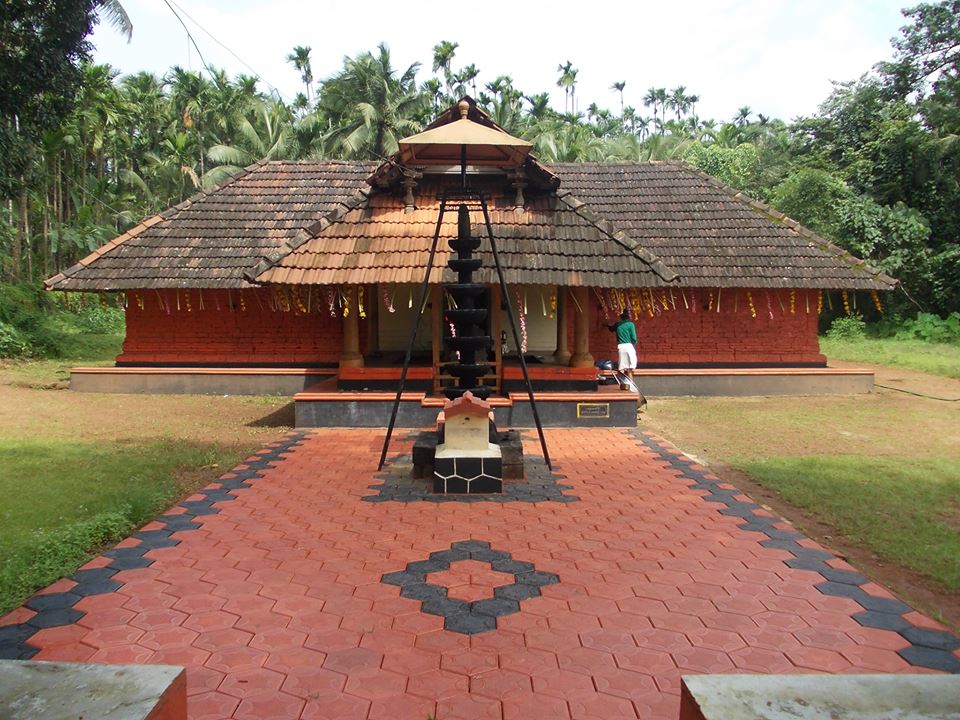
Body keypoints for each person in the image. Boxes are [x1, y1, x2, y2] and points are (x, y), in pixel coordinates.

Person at [607, 310, 638, 386]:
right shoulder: (630, 324)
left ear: (620, 317)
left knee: (621, 368)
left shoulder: (618, 324)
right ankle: (631, 385)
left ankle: (619, 384)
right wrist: (633, 343)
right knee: (630, 369)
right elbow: (634, 338)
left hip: (621, 347)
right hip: (629, 346)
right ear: (628, 316)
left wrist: (606, 325)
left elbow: (611, 329)